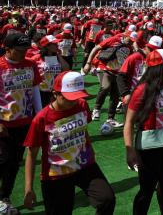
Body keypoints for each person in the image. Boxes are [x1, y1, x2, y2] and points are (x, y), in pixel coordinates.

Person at [23, 71, 116, 215]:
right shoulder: (42, 118)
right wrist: (28, 187)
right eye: (69, 98)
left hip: (84, 165)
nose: (74, 101)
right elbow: (31, 153)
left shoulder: (82, 105)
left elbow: (83, 130)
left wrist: (90, 150)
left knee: (107, 199)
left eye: (77, 96)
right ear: (55, 93)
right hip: (57, 174)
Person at [124, 49, 163, 215]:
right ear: (159, 68)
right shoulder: (142, 90)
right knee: (147, 189)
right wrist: (129, 150)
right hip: (149, 146)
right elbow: (128, 122)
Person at [0, 33, 43, 214]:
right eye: (19, 50)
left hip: (24, 122)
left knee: (14, 162)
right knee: (3, 160)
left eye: (26, 49)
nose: (24, 53)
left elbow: (35, 91)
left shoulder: (30, 64)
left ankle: (4, 196)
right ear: (7, 49)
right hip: (4, 124)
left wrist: (40, 116)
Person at [83, 30, 138, 126]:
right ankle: (96, 109)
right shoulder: (113, 39)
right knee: (105, 86)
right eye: (130, 39)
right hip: (104, 67)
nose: (131, 42)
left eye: (133, 41)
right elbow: (96, 48)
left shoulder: (130, 46)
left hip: (118, 71)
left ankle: (110, 119)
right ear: (125, 36)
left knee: (115, 95)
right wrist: (88, 63)